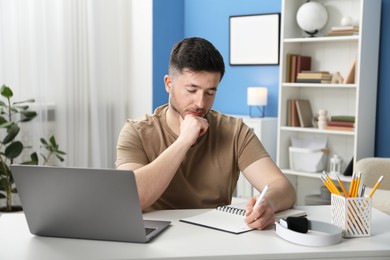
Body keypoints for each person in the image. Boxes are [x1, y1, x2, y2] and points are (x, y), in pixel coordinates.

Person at [116, 37, 296, 230]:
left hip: (216, 236)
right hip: (156, 238)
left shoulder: (234, 130)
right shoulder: (136, 131)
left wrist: (268, 204)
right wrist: (184, 141)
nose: (201, 103)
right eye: (191, 90)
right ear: (169, 84)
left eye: (210, 92)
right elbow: (131, 198)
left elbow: (283, 187)